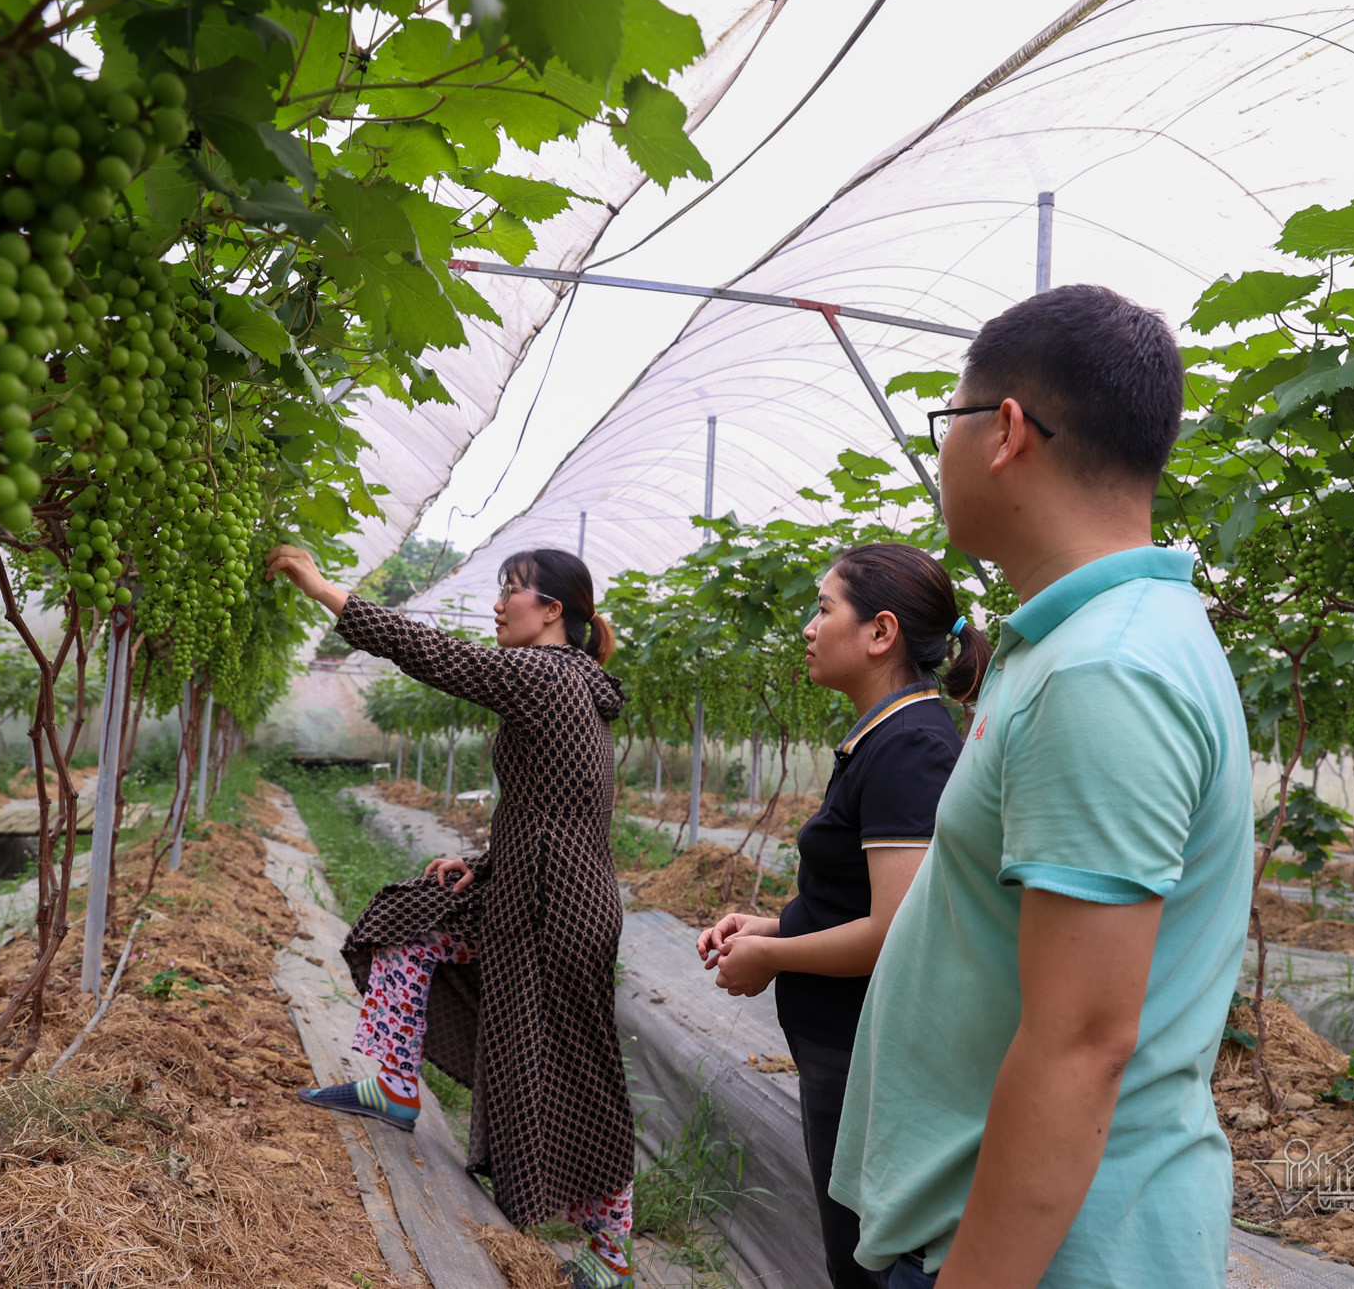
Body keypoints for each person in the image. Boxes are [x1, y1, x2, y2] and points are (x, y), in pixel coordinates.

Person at [830, 284, 1254, 1289]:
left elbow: (1080, 1043)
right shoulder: (1071, 642)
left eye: (947, 420)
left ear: (1004, 430)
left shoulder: (1104, 672)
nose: (938, 451)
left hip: (1043, 1258)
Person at [265, 543, 637, 1289]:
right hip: (532, 889)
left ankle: (614, 1258)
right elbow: (550, 805)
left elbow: (429, 652)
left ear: (552, 610)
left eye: (513, 591)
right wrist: (485, 866)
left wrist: (319, 587)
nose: (500, 604)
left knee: (576, 1068)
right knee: (411, 926)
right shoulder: (570, 682)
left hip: (558, 909)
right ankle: (398, 1085)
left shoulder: (545, 673)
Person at [694, 542, 988, 1289]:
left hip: (868, 1048)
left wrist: (775, 957)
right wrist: (769, 926)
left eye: (824, 608)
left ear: (880, 632)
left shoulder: (911, 747)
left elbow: (896, 931)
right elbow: (859, 899)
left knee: (864, 1260)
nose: (808, 626)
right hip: (843, 1041)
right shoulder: (884, 735)